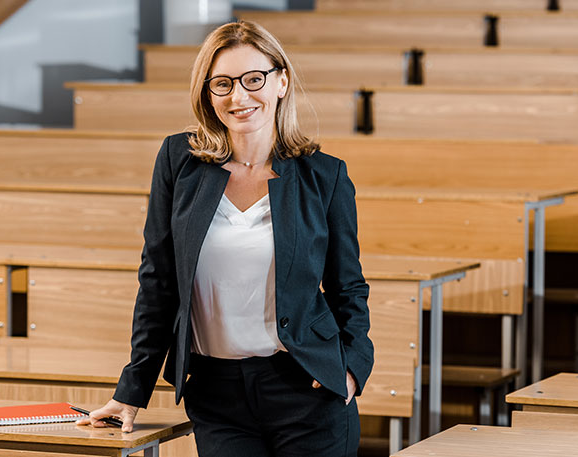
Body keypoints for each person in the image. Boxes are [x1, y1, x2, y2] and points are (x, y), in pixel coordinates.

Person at [77, 20, 373, 457]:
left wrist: (350, 368)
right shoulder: (179, 161)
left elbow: (348, 286)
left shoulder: (324, 175)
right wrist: (133, 387)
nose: (239, 96)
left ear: (281, 82)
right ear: (207, 93)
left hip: (307, 389)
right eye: (222, 84)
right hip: (217, 395)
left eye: (254, 79)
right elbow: (158, 280)